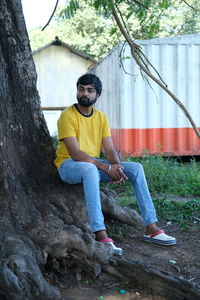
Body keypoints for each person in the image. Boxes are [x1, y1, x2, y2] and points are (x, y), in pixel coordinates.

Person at [54, 74, 176, 255]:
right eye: (81, 89)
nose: (84, 94)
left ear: (97, 95)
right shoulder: (67, 116)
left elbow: (110, 150)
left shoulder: (101, 117)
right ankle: (100, 233)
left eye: (90, 90)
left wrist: (117, 167)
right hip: (69, 165)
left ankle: (151, 227)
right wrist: (105, 167)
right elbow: (76, 153)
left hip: (91, 166)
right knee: (90, 169)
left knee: (136, 168)